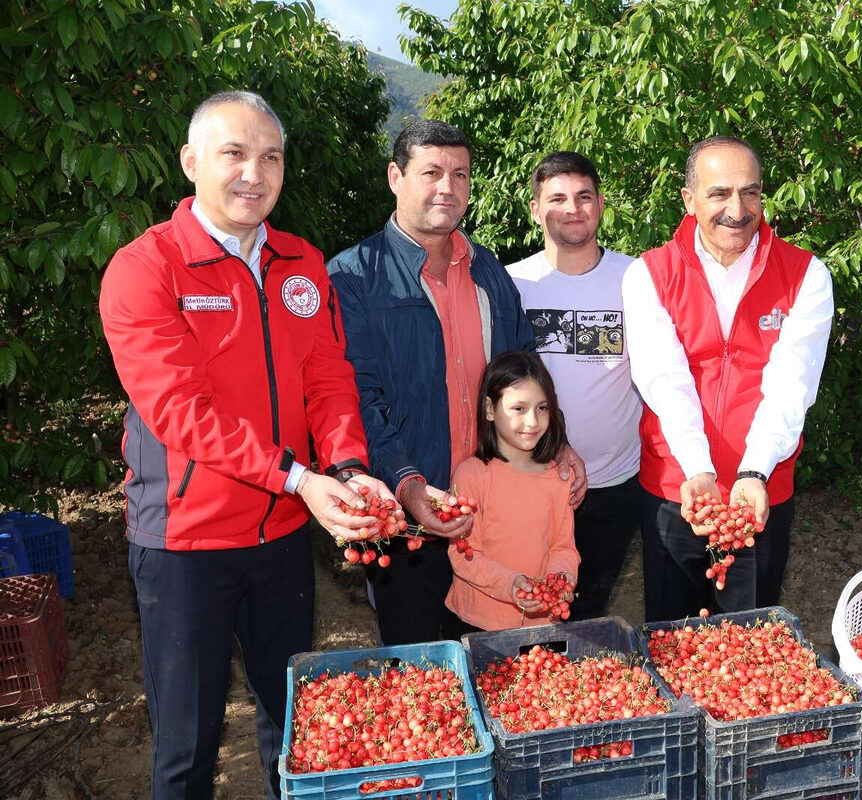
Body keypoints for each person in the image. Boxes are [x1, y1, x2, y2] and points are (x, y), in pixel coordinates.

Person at [98, 90, 394, 799]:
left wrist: (347, 466)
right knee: (187, 748)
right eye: (234, 153)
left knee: (291, 728)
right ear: (190, 161)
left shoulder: (301, 264)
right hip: (185, 546)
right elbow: (179, 412)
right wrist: (298, 478)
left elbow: (327, 379)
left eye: (271, 157)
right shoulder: (148, 269)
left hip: (283, 538)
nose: (253, 174)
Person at [327, 121, 586, 646]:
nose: (447, 186)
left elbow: (526, 369)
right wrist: (408, 484)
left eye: (460, 174)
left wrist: (558, 442)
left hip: (496, 506)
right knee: (424, 666)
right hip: (413, 513)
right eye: (431, 172)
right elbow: (357, 399)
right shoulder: (353, 278)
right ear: (396, 177)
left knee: (502, 659)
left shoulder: (488, 270)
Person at [622, 135, 835, 621]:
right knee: (672, 640)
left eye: (750, 192)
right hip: (676, 487)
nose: (736, 209)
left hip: (760, 491)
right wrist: (698, 469)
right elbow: (664, 378)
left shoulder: (806, 275)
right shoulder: (650, 274)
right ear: (689, 199)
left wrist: (754, 470)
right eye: (719, 193)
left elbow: (791, 384)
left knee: (747, 642)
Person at [506, 152, 641, 619]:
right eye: (557, 198)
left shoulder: (636, 279)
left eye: (584, 197)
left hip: (615, 482)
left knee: (588, 609)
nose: (573, 208)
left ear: (601, 205)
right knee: (530, 606)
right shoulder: (512, 284)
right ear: (535, 209)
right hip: (533, 478)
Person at [444, 351, 580, 634]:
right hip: (477, 622)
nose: (532, 422)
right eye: (519, 408)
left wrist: (561, 578)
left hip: (543, 622)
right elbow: (464, 555)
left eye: (542, 408)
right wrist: (511, 584)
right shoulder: (471, 475)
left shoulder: (559, 476)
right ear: (490, 409)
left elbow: (563, 546)